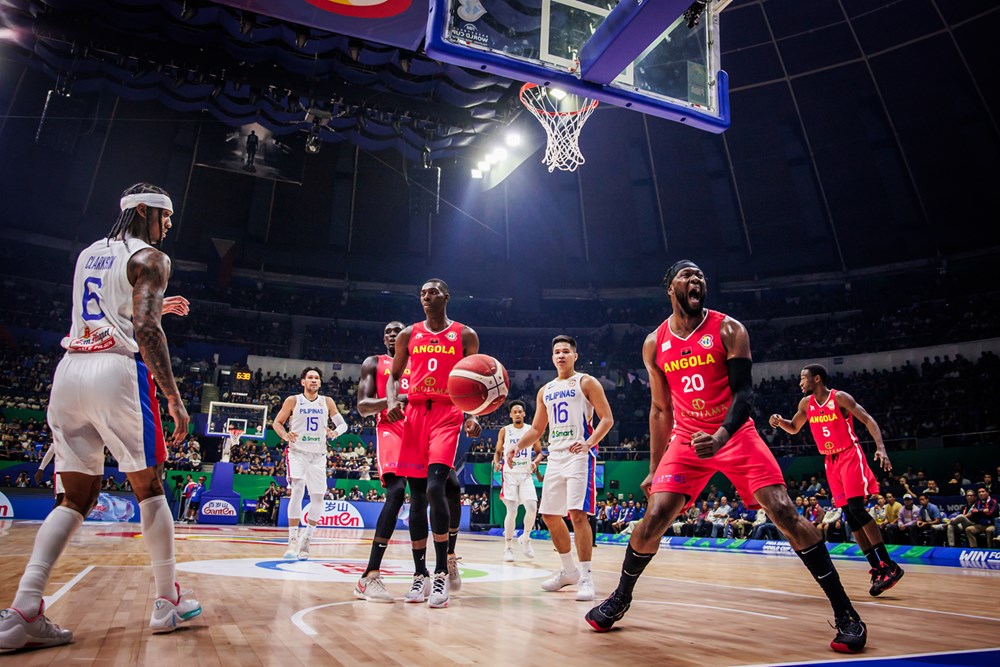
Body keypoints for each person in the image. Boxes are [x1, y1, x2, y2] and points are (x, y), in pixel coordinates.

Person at [585, 260, 867, 654]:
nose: (697, 279)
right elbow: (660, 409)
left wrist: (720, 436)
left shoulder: (729, 329)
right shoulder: (655, 342)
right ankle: (620, 598)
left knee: (784, 511)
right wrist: (653, 468)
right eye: (687, 275)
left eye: (700, 275)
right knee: (652, 520)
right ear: (670, 287)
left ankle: (847, 615)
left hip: (733, 434)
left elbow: (744, 396)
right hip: (686, 438)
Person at [0, 183, 200, 650]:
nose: (169, 226)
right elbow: (145, 328)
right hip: (116, 372)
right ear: (146, 212)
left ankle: (23, 608)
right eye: (166, 217)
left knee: (75, 497)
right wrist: (172, 395)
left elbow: (112, 310)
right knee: (149, 485)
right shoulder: (151, 258)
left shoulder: (89, 252)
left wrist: (146, 313)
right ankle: (167, 600)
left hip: (69, 373)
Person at [385, 279, 482, 609]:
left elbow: (477, 381)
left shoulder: (465, 334)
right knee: (415, 498)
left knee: (436, 487)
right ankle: (419, 574)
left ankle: (441, 570)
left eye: (432, 293)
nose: (426, 297)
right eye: (422, 293)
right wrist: (391, 400)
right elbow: (394, 377)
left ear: (446, 296)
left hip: (446, 413)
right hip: (414, 414)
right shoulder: (408, 335)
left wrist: (474, 416)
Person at [770, 364, 903, 596]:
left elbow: (868, 420)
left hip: (850, 454)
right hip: (830, 462)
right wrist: (779, 421)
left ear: (817, 379)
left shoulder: (839, 397)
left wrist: (881, 448)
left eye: (803, 378)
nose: (800, 383)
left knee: (857, 509)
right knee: (850, 517)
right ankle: (877, 568)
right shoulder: (805, 404)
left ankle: (889, 565)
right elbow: (793, 428)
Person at [507, 335, 615, 603]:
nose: (561, 355)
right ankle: (568, 571)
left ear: (575, 356)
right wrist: (517, 447)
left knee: (578, 515)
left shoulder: (586, 382)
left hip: (579, 456)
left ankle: (587, 576)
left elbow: (607, 419)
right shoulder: (545, 390)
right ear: (552, 357)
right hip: (554, 456)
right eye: (557, 352)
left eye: (566, 351)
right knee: (549, 516)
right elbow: (536, 429)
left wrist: (589, 442)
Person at [272, 367, 349, 560]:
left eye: (316, 378)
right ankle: (292, 540)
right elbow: (277, 423)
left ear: (320, 383)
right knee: (297, 490)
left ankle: (307, 538)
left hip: (318, 456)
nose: (313, 380)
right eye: (310, 378)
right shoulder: (293, 400)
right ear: (303, 382)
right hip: (297, 453)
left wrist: (334, 433)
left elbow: (343, 425)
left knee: (317, 498)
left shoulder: (327, 402)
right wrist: (284, 435)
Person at [494, 399, 543, 562]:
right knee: (512, 510)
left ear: (523, 414)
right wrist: (496, 462)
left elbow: (539, 452)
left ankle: (526, 538)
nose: (517, 414)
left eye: (519, 411)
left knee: (532, 507)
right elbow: (498, 451)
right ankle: (508, 547)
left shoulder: (531, 430)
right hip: (509, 474)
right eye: (514, 411)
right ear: (510, 415)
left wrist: (536, 462)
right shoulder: (505, 431)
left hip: (526, 473)